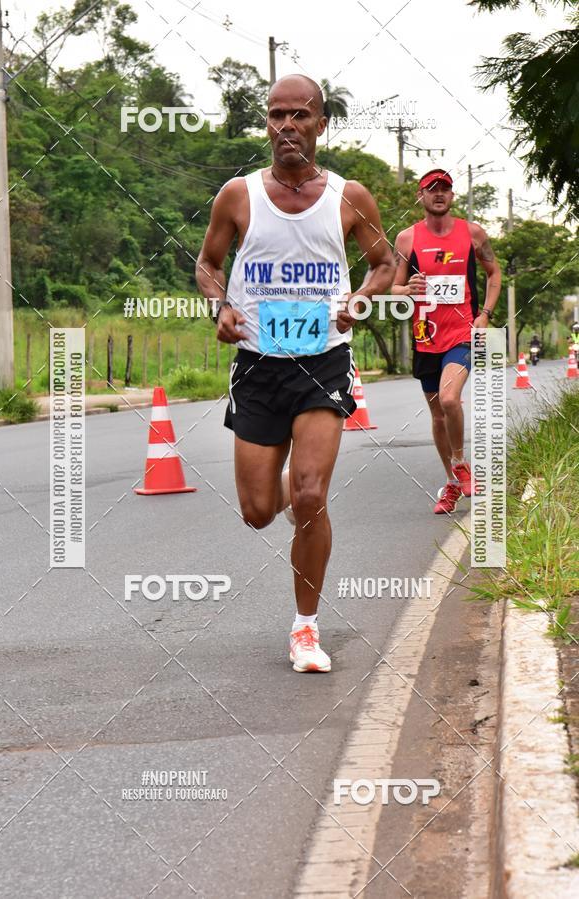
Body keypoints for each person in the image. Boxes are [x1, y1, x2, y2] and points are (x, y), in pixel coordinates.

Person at [196, 75, 395, 672]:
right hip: (258, 364)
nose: (287, 125)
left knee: (310, 495)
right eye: (277, 115)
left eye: (299, 115)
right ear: (267, 125)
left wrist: (359, 299)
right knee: (259, 510)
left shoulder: (349, 196)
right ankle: (289, 493)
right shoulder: (238, 195)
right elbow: (208, 265)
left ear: (321, 124)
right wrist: (219, 306)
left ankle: (305, 628)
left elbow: (384, 264)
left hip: (322, 362)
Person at [392, 169, 502, 514]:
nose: (439, 194)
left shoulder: (472, 233)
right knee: (438, 415)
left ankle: (459, 462)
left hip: (461, 333)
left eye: (445, 189)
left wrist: (485, 313)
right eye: (432, 189)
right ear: (420, 196)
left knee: (451, 399)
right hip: (426, 335)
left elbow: (494, 273)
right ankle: (453, 483)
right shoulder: (407, 239)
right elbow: (392, 286)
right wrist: (405, 288)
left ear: (452, 196)